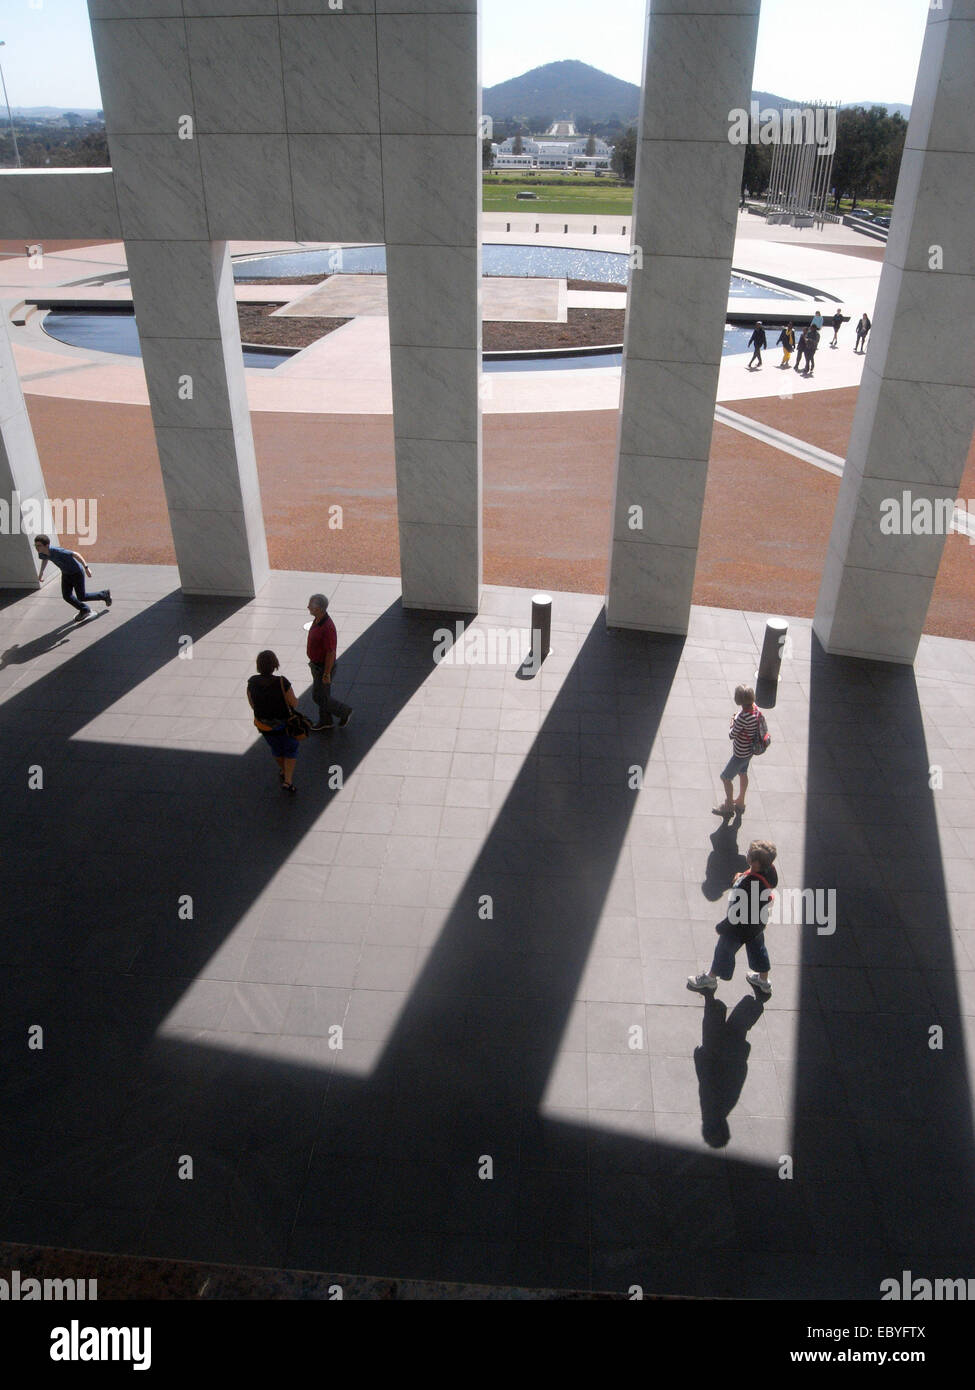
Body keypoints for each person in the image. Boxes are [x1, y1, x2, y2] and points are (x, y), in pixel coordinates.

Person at [687, 840, 779, 997]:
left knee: (723, 950)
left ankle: (710, 978)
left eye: (749, 854)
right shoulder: (768, 871)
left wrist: (723, 927)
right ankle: (763, 981)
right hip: (757, 923)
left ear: (755, 863)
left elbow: (737, 913)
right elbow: (757, 878)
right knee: (758, 949)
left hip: (739, 927)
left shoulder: (746, 886)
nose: (747, 855)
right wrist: (743, 876)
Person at [247, 650, 301, 793]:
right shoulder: (282, 682)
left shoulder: (252, 682)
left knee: (276, 749)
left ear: (259, 665)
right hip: (284, 724)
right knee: (291, 748)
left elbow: (252, 703)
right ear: (274, 665)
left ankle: (283, 771)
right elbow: (294, 703)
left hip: (263, 725)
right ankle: (288, 781)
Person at [33, 534, 112, 622]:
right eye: (35, 545)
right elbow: (45, 559)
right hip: (66, 574)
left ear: (47, 545)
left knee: (82, 597)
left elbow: (76, 554)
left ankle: (104, 595)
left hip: (76, 573)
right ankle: (84, 609)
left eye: (39, 546)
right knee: (67, 596)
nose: (37, 548)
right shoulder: (42, 553)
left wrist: (86, 568)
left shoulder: (58, 551)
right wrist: (41, 573)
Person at [306, 593, 352, 732]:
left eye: (311, 605)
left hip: (322, 668)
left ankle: (344, 711)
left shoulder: (327, 627)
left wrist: (326, 673)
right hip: (317, 665)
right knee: (323, 695)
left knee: (319, 696)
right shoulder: (318, 620)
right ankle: (325, 721)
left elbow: (330, 652)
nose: (307, 607)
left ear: (319, 608)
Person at [713, 684, 761, 817]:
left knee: (725, 778)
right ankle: (740, 801)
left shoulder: (742, 717)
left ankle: (728, 805)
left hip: (740, 753)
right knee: (743, 773)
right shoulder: (755, 710)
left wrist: (732, 722)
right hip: (749, 751)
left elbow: (731, 735)